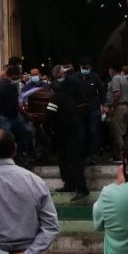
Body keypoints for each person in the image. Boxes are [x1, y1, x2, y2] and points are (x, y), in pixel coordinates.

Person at [45, 65, 88, 201]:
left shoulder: (55, 100)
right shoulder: (66, 98)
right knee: (65, 160)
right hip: (70, 133)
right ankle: (69, 184)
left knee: (72, 161)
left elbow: (48, 117)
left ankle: (81, 189)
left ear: (52, 90)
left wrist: (47, 130)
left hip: (69, 135)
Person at [65, 58, 104, 159]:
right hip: (79, 108)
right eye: (83, 67)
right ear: (80, 67)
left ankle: (92, 153)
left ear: (90, 67)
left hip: (93, 107)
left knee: (93, 130)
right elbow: (69, 93)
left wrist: (103, 104)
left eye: (87, 68)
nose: (85, 70)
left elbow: (101, 91)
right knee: (81, 132)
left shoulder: (95, 77)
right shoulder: (73, 77)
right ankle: (82, 153)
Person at [0, 65, 34, 159]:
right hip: (6, 117)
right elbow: (15, 104)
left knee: (24, 132)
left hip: (8, 116)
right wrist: (27, 115)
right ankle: (11, 156)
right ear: (14, 75)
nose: (20, 77)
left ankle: (16, 155)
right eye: (18, 75)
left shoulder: (3, 84)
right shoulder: (8, 86)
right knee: (6, 139)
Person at [105, 63, 128, 161]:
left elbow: (117, 94)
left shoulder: (115, 79)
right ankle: (117, 154)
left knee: (118, 133)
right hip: (124, 106)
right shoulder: (124, 78)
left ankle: (123, 155)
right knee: (122, 132)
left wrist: (113, 107)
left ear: (112, 69)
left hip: (118, 107)